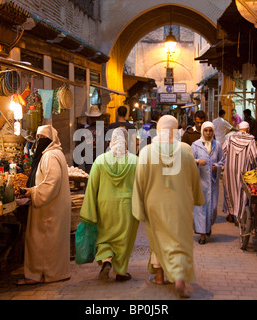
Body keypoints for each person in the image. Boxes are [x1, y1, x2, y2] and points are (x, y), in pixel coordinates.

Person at [132, 115, 204, 298]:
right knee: (178, 241)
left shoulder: (147, 152)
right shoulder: (185, 150)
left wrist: (138, 207)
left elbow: (139, 181)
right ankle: (179, 279)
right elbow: (194, 179)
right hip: (180, 204)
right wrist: (197, 198)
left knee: (158, 240)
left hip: (154, 204)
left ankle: (159, 276)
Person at [80, 128, 139, 282]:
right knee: (123, 240)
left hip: (104, 206)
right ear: (126, 141)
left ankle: (106, 260)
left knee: (105, 236)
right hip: (127, 206)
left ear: (111, 140)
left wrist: (89, 209)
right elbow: (141, 186)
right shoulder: (135, 161)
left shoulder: (100, 160)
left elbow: (92, 186)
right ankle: (120, 272)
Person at [19, 125, 71, 285]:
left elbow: (51, 182)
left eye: (43, 138)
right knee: (51, 242)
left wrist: (33, 192)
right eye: (39, 138)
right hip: (54, 207)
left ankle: (40, 274)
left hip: (49, 209)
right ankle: (53, 273)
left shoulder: (50, 156)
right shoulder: (56, 154)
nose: (40, 141)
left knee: (41, 241)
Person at [191, 121, 225, 245]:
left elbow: (222, 160)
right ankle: (202, 235)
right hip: (200, 182)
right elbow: (189, 160)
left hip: (213, 183)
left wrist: (216, 166)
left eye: (210, 131)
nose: (208, 133)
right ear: (202, 131)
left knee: (213, 208)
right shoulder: (195, 145)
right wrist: (197, 161)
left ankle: (208, 226)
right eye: (206, 131)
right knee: (200, 208)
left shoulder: (218, 145)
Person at [223, 121, 257, 224]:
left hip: (229, 169)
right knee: (242, 192)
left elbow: (223, 151)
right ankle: (240, 217)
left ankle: (231, 214)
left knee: (230, 190)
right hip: (244, 170)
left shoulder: (231, 138)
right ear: (248, 129)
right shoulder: (251, 139)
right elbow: (254, 156)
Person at [77, 105, 109, 174]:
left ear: (90, 118)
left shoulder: (85, 131)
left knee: (90, 180)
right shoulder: (105, 130)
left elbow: (82, 150)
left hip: (89, 162)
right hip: (102, 161)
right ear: (99, 117)